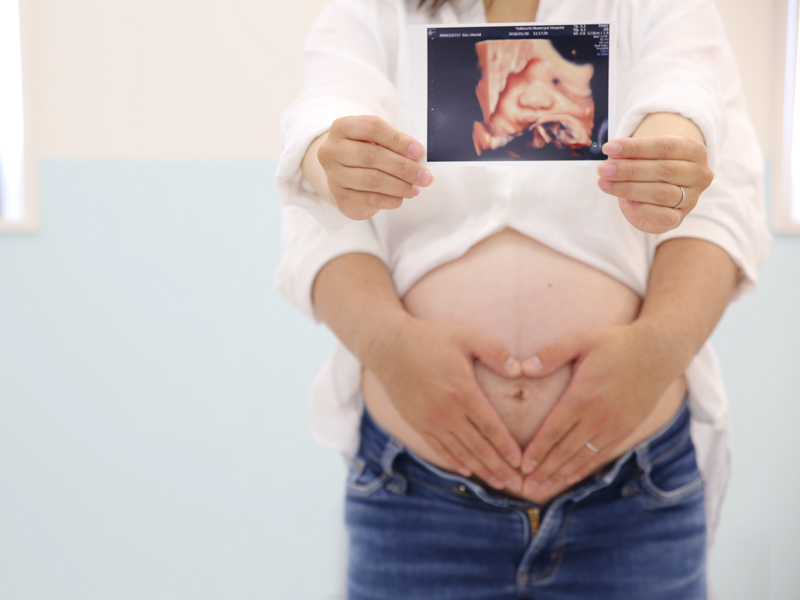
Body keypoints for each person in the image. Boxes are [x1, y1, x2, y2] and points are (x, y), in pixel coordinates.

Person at [275, 0, 771, 598]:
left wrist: (657, 348)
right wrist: (329, 162)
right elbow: (320, 153)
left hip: (632, 499)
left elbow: (700, 142)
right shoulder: (372, 12)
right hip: (418, 500)